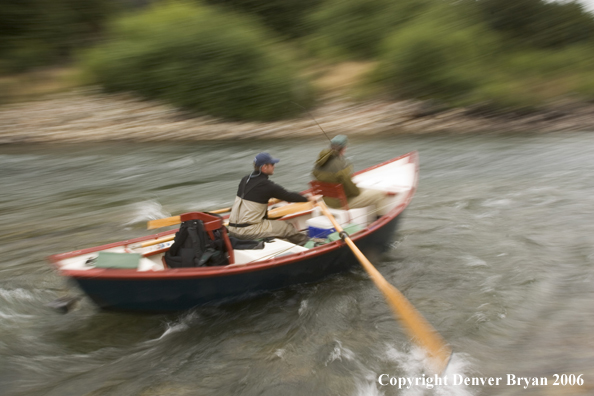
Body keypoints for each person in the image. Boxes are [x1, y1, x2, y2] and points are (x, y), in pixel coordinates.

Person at [227, 152, 314, 245]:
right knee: (286, 227)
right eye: (272, 164)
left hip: (232, 228)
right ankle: (309, 245)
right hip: (247, 231)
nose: (274, 166)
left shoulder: (245, 179)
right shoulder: (266, 185)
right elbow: (288, 196)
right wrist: (307, 198)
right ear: (264, 167)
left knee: (273, 215)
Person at [312, 135, 389, 216]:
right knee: (379, 195)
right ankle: (380, 221)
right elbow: (353, 192)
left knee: (362, 189)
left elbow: (329, 180)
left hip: (328, 201)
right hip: (341, 204)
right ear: (344, 148)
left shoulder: (318, 164)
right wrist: (353, 186)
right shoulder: (341, 165)